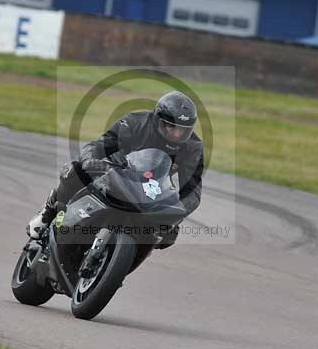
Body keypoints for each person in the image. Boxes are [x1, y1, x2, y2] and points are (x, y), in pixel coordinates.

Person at [26, 91, 204, 249]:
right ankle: (50, 210)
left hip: (151, 188)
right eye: (171, 127)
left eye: (183, 130)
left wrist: (174, 214)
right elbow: (99, 145)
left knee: (166, 236)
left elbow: (193, 192)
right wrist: (92, 161)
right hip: (116, 171)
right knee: (76, 169)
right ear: (158, 120)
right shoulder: (135, 123)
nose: (176, 134)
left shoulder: (193, 148)